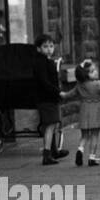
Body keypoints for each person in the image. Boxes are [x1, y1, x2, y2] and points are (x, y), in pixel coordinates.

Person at [60, 60, 100, 166]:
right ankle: (92, 157)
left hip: (84, 112)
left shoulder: (79, 85)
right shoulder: (97, 84)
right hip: (97, 113)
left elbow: (69, 95)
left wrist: (62, 94)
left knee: (84, 135)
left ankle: (80, 149)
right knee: (94, 135)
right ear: (86, 75)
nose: (96, 72)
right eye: (92, 71)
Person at [32, 33, 68, 165]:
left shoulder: (47, 61)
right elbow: (44, 82)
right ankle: (47, 154)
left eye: (51, 46)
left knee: (53, 124)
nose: (49, 49)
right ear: (38, 48)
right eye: (45, 46)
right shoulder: (40, 62)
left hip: (50, 97)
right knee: (50, 124)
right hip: (46, 98)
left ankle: (53, 151)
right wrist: (58, 92)